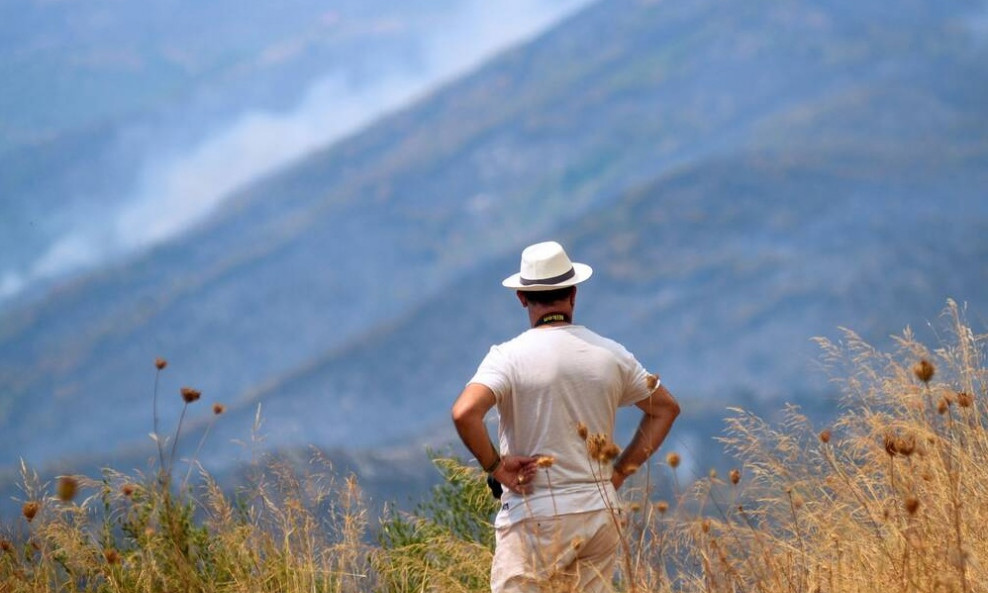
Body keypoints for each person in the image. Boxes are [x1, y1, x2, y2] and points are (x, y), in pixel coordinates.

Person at [451, 240, 681, 593]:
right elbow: (665, 409)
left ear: (522, 298)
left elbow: (465, 413)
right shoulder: (611, 355)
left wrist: (496, 467)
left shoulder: (508, 358)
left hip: (535, 514)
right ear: (573, 294)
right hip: (599, 510)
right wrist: (618, 473)